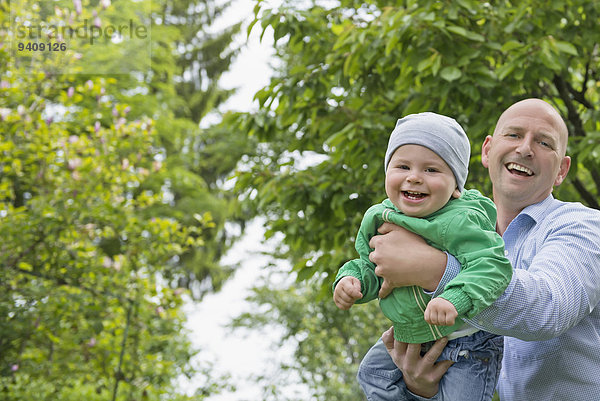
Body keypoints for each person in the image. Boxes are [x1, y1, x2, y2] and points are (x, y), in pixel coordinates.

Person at [360, 98, 600, 400]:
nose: (525, 148)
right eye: (513, 135)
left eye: (544, 143)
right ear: (487, 150)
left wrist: (434, 270)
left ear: (562, 170)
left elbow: (549, 309)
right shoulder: (453, 229)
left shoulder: (584, 226)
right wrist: (422, 390)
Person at [332, 112, 513, 400]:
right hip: (409, 335)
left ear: (456, 187)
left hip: (466, 342)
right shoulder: (380, 217)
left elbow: (493, 266)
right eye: (402, 166)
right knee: (372, 373)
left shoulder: (461, 220)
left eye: (431, 170)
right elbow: (369, 264)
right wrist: (352, 280)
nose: (414, 177)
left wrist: (454, 297)